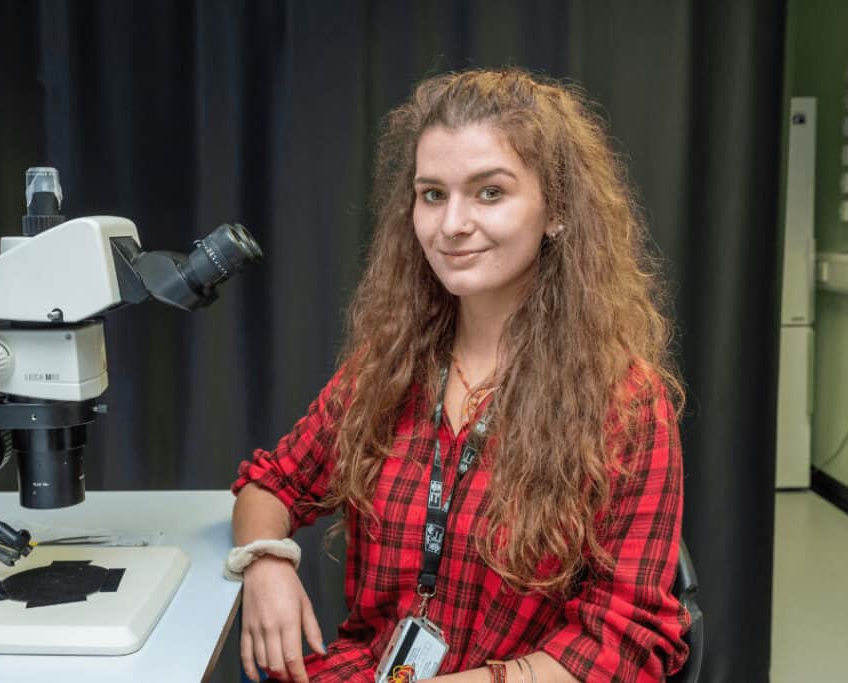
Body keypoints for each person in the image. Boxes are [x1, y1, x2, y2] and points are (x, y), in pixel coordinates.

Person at [228, 67, 690, 683]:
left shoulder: (626, 403)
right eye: (433, 194)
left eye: (490, 192)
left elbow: (622, 646)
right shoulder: (388, 368)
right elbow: (271, 485)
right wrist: (265, 564)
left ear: (556, 210)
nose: (451, 225)